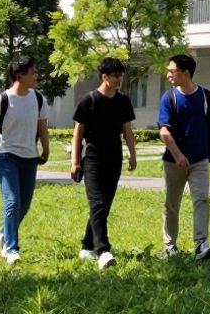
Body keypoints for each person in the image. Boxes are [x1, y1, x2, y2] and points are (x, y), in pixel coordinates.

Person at [71, 57, 138, 270]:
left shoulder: (123, 101)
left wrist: (133, 155)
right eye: (115, 76)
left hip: (114, 158)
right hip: (92, 159)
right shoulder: (89, 100)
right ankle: (103, 251)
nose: (119, 80)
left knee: (103, 206)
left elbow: (127, 130)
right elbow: (78, 133)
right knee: (98, 203)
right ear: (104, 77)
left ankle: (87, 245)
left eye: (121, 76)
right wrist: (75, 162)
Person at [0, 56, 50, 265]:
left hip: (30, 158)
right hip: (6, 156)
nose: (36, 76)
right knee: (12, 202)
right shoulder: (2, 100)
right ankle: (11, 249)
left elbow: (42, 128)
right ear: (19, 75)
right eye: (32, 72)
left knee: (24, 205)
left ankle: (3, 233)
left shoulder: (38, 99)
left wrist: (46, 148)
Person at [157, 53, 210, 261]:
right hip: (173, 162)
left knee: (201, 199)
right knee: (172, 203)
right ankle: (170, 245)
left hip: (199, 160)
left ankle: (201, 245)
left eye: (172, 71)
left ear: (185, 73)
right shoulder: (169, 97)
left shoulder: (204, 95)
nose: (168, 74)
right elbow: (164, 131)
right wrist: (178, 155)